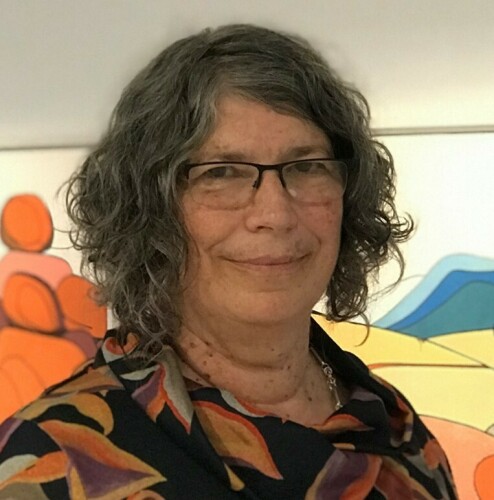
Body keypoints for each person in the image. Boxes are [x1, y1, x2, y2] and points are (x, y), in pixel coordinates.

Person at [0, 24, 457, 499]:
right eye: (221, 173)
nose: (275, 214)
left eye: (306, 166)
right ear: (148, 211)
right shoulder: (52, 460)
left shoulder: (399, 435)